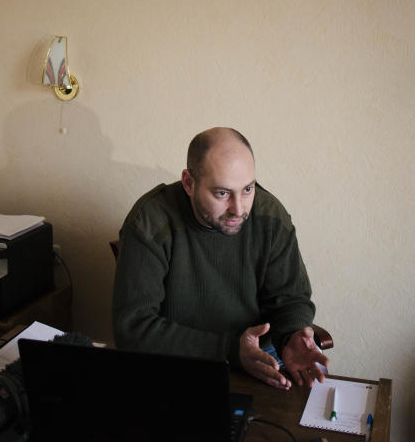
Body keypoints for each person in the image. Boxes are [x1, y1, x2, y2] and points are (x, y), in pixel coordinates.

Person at [112, 127, 328, 389]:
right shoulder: (150, 222)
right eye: (222, 193)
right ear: (189, 183)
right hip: (177, 361)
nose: (238, 208)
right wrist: (230, 350)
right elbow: (133, 328)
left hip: (261, 360)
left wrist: (293, 335)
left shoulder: (270, 216)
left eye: (247, 189)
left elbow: (291, 299)